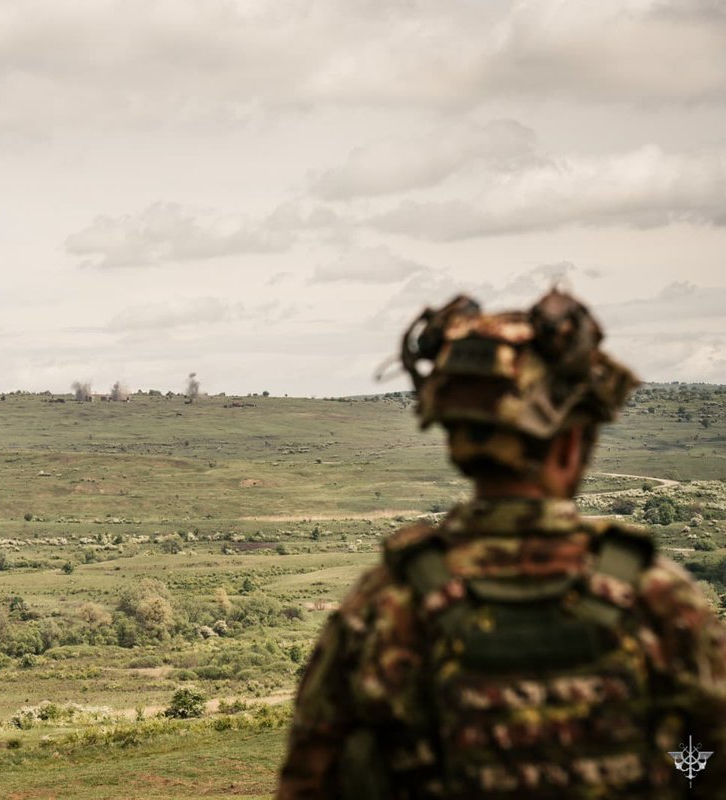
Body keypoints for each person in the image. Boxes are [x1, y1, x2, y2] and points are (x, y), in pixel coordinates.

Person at [277, 289, 726, 799]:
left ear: (457, 443)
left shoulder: (385, 604)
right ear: (571, 441)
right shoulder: (659, 599)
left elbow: (309, 778)